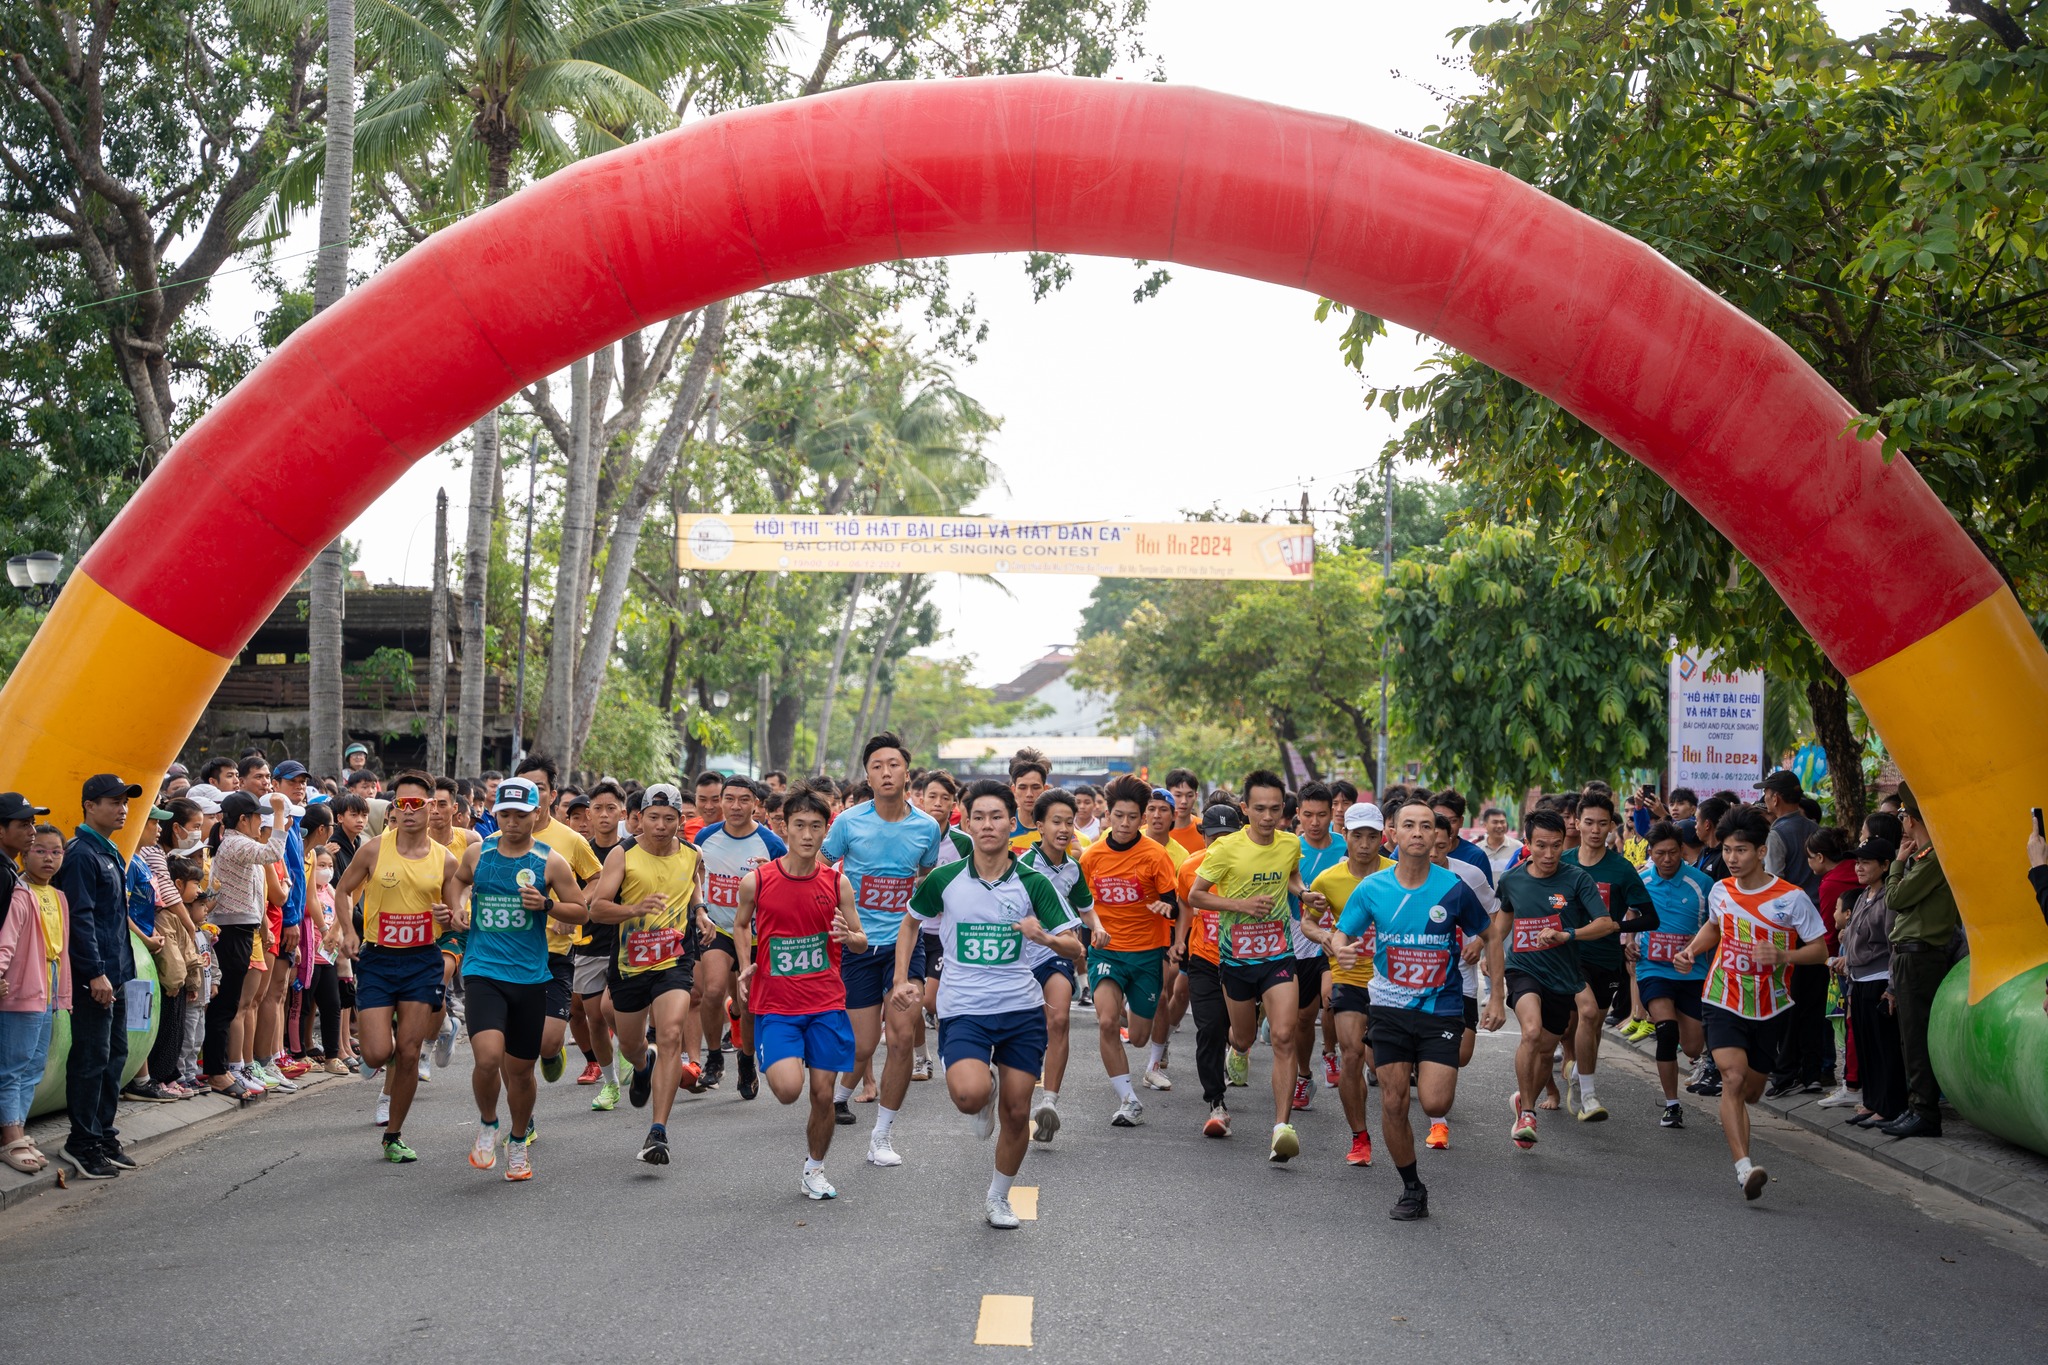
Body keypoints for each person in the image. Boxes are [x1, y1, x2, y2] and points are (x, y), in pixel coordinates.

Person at [895, 778, 1085, 1229]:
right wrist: (903, 979)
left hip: (1020, 1010)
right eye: (977, 817)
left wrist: (1046, 938)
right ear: (966, 820)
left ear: (1011, 822)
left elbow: (1075, 947)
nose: (986, 825)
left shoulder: (1033, 882)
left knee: (1019, 1112)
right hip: (964, 1009)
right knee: (968, 1094)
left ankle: (998, 1197)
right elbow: (910, 923)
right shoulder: (945, 878)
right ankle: (984, 1092)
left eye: (996, 816)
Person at [1329, 799, 1494, 1220]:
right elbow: (1340, 933)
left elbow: (1490, 933)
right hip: (1387, 1006)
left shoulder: (1453, 887)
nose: (1418, 833)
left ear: (1437, 836)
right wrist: (1341, 950)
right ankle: (1411, 1187)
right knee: (1394, 1102)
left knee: (1435, 1103)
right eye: (1409, 825)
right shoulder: (1372, 889)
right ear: (1394, 835)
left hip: (1441, 1006)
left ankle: (1427, 1073)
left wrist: (1498, 995)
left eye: (1426, 826)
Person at [1673, 806, 1830, 1200]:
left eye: (1740, 850)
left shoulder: (1791, 898)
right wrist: (1692, 950)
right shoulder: (1721, 890)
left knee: (1753, 1090)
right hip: (1723, 996)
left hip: (1770, 1005)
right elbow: (1714, 926)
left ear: (1761, 852)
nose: (1731, 858)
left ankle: (1744, 1153)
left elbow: (1820, 949)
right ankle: (1745, 1168)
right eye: (1726, 850)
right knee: (1733, 1078)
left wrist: (1784, 957)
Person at [450, 779, 588, 1182]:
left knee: (522, 1070)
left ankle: (517, 1141)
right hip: (483, 969)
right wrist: (458, 906)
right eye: (505, 814)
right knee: (489, 1058)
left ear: (536, 813)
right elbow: (458, 881)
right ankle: (489, 1123)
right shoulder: (480, 853)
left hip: (529, 976)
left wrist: (547, 904)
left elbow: (581, 911)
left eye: (521, 815)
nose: (512, 823)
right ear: (496, 813)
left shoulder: (551, 862)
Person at [734, 788, 864, 1200]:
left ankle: (814, 1168)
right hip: (777, 1005)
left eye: (816, 827)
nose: (807, 835)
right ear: (783, 828)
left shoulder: (837, 882)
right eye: (799, 826)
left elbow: (860, 939)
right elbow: (740, 925)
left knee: (823, 1094)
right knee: (789, 1091)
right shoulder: (758, 881)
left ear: (826, 830)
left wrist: (850, 935)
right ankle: (756, 1049)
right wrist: (745, 965)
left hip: (826, 1002)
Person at [824, 733, 943, 1166]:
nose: (886, 772)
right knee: (862, 1044)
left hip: (904, 944)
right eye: (877, 765)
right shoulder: (847, 823)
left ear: (906, 772)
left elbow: (928, 882)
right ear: (868, 775)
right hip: (856, 944)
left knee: (899, 1040)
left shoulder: (927, 827)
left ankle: (882, 1136)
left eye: (893, 764)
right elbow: (821, 870)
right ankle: (837, 1098)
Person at [334, 772, 461, 1163]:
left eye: (417, 805)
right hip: (378, 959)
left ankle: (394, 1134)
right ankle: (385, 1036)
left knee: (408, 1051)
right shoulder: (374, 849)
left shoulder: (446, 861)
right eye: (401, 805)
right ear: (394, 809)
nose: (408, 812)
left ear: (431, 809)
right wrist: (346, 931)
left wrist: (448, 915)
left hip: (422, 961)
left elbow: (457, 916)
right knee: (375, 1054)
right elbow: (342, 890)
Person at [1191, 769, 1309, 1163]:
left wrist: (1305, 892)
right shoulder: (1224, 849)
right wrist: (1240, 905)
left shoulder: (1290, 843)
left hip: (1277, 954)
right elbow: (1196, 896)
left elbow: (1290, 876)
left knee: (1284, 1036)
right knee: (1240, 1036)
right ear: (1244, 809)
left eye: (1275, 809)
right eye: (1259, 808)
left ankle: (1281, 1128)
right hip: (1236, 959)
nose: (1268, 816)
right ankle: (1237, 1051)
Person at [587, 783, 703, 1166]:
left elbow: (693, 885)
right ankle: (641, 1066)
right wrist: (635, 909)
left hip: (674, 960)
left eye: (669, 819)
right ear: (639, 818)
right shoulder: (623, 855)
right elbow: (599, 909)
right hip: (629, 965)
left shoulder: (691, 853)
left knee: (670, 1034)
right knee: (633, 1045)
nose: (660, 826)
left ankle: (658, 1131)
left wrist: (700, 914)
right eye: (653, 818)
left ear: (679, 821)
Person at [1491, 809, 1608, 1150]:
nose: (1548, 854)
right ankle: (1527, 1114)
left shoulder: (1577, 879)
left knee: (1544, 1052)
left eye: (1556, 846)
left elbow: (1604, 923)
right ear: (1526, 843)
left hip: (1563, 975)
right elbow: (1502, 924)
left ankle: (1523, 1098)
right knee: (1529, 1032)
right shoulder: (1512, 879)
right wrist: (1489, 953)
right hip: (1523, 969)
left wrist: (1567, 935)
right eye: (1540, 845)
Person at [54, 774, 143, 1179]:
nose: (122, 808)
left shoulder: (107, 851)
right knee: (92, 1058)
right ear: (89, 805)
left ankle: (103, 1134)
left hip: (118, 973)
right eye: (113, 801)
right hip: (98, 976)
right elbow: (81, 919)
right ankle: (82, 1142)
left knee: (114, 1056)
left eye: (124, 802)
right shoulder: (80, 854)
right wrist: (94, 973)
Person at [1079, 774, 1182, 1124]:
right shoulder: (1091, 858)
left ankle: (1130, 1008)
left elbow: (1174, 903)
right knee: (1107, 1022)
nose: (1125, 823)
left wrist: (1165, 911)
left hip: (1146, 953)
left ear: (1142, 818)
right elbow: (1083, 905)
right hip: (1106, 952)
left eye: (1132, 817)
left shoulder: (1155, 855)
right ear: (1107, 815)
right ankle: (1128, 1100)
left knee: (1138, 1037)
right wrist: (1090, 935)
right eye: (1118, 815)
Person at [1299, 800, 1392, 1165]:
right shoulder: (1329, 880)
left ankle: (1393, 1125)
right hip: (1348, 978)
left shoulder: (1397, 874)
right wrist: (1324, 937)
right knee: (1351, 1054)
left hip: (1390, 982)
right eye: (1358, 836)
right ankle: (1360, 1137)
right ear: (1346, 837)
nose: (1366, 844)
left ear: (1382, 837)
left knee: (1381, 1064)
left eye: (1372, 836)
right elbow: (1309, 921)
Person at [1558, 791, 1656, 1121]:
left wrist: (1615, 925)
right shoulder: (1563, 862)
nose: (1596, 830)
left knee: (1593, 1025)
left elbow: (1650, 917)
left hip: (1605, 958)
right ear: (1577, 823)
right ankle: (1588, 1096)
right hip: (1567, 955)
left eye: (1603, 824)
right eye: (1589, 822)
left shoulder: (1621, 869)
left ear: (1612, 826)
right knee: (1583, 1014)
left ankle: (1575, 1071)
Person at [693, 775, 787, 1100]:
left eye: (743, 799)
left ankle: (746, 1061)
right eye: (728, 798)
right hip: (718, 927)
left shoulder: (772, 843)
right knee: (713, 990)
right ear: (720, 801)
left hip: (757, 935)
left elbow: (791, 879)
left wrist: (772, 873)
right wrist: (700, 909)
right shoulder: (705, 837)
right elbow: (694, 875)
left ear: (756, 804)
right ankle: (714, 1056)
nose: (735, 806)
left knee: (748, 1005)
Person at [1016, 789, 1093, 1143]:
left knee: (1059, 1019)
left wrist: (1101, 929)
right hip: (1016, 961)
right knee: (1018, 1035)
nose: (1064, 829)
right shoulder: (1020, 868)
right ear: (1039, 825)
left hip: (1055, 954)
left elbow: (1086, 907)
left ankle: (1049, 1103)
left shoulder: (1073, 868)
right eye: (1056, 822)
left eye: (1069, 822)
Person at [1880, 784, 1956, 1138]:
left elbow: (1894, 898)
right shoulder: (1923, 857)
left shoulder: (1932, 859)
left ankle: (1924, 1111)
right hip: (1912, 955)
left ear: (1911, 819)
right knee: (1909, 1037)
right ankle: (1916, 1107)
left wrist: (1896, 863)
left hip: (1921, 955)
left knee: (1916, 1036)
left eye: (1901, 816)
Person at [0, 825, 68, 1174]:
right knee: (13, 1064)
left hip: (49, 989)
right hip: (22, 989)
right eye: (40, 850)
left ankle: (18, 1128)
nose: (49, 858)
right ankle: (10, 1135)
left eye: (56, 851)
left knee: (34, 1065)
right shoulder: (19, 892)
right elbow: (7, 940)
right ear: (25, 854)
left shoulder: (59, 897)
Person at [1637, 820, 1713, 1127]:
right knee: (1666, 1031)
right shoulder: (1640, 881)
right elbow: (1626, 917)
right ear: (1651, 854)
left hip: (1693, 972)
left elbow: (1716, 927)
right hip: (1653, 968)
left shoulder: (1702, 884)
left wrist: (1692, 952)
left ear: (1682, 851)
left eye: (1672, 853)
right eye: (1660, 854)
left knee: (1693, 1046)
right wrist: (1627, 944)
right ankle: (1672, 1104)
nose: (1667, 860)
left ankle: (1701, 1056)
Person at [1837, 837, 1903, 1128]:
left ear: (1886, 865)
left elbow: (1894, 944)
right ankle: (1872, 1101)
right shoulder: (1864, 895)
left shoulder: (1890, 896)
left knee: (1883, 1048)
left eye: (1866, 862)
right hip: (1859, 980)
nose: (1859, 867)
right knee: (1865, 1047)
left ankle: (1889, 1106)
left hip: (1880, 982)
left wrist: (1892, 988)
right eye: (1858, 861)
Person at [1289, 782, 1346, 1112]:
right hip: (1299, 937)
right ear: (1298, 814)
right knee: (1302, 1017)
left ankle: (1330, 1052)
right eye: (1307, 815)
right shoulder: (1289, 849)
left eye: (1321, 815)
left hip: (1337, 934)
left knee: (1331, 999)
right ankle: (1304, 1074)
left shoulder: (1345, 846)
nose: (1314, 822)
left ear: (1332, 814)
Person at [572, 780, 628, 1106]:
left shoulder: (633, 849)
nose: (604, 815)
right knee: (594, 1015)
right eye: (597, 809)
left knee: (615, 1009)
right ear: (588, 814)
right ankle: (610, 1083)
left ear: (622, 812)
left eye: (611, 808)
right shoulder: (580, 851)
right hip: (589, 943)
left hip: (625, 941)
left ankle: (631, 1051)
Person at [1164, 769, 1206, 856]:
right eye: (1178, 795)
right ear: (1168, 795)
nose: (1184, 801)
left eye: (1189, 796)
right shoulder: (1152, 830)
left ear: (1196, 796)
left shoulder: (1205, 829)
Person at [1479, 807, 1522, 881]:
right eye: (1495, 822)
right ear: (1485, 825)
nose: (1499, 826)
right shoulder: (1478, 849)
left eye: (1502, 822)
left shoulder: (1518, 848)